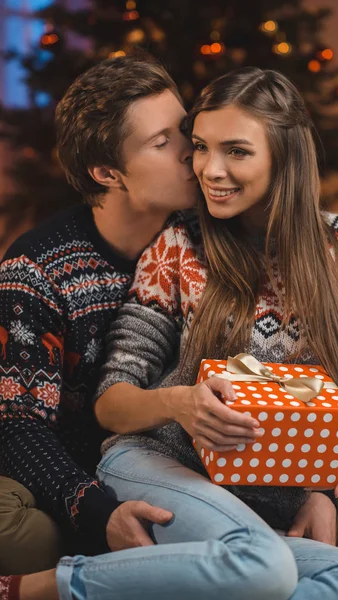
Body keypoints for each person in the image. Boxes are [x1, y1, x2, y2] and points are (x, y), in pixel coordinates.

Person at [90, 67, 338, 598]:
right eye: (202, 148)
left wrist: (317, 487)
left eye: (236, 150)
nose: (210, 170)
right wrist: (181, 403)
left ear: (286, 155)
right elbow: (111, 402)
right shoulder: (179, 243)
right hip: (155, 459)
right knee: (263, 563)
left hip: (266, 492)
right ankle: (50, 584)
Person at [0, 54, 198, 574]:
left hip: (190, 457)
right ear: (108, 172)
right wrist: (96, 510)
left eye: (185, 130)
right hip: (87, 471)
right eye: (163, 142)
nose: (191, 151)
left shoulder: (208, 236)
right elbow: (18, 425)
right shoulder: (36, 271)